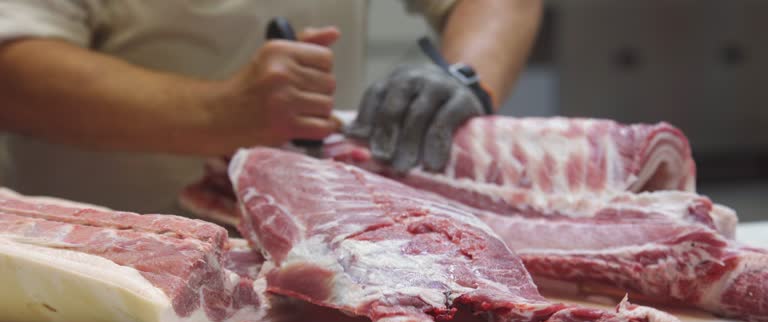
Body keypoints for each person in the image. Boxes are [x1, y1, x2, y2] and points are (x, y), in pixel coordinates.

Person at [0, 0, 541, 214]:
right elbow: (13, 70)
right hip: (100, 263)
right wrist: (221, 114)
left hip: (313, 252)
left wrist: (462, 76)